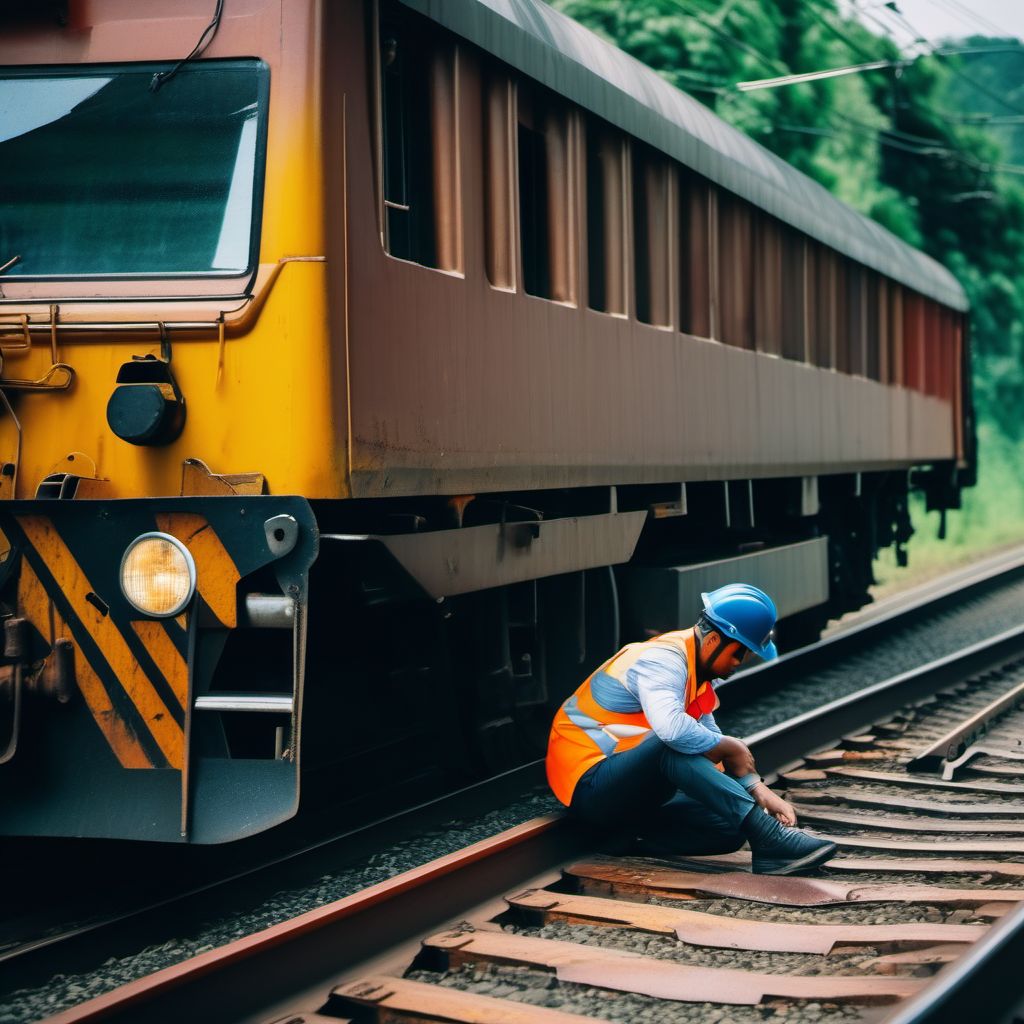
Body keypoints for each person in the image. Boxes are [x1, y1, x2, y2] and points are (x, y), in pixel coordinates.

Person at [546, 583, 837, 875]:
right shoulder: (662, 660)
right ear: (712, 641)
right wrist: (732, 746)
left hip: (628, 792)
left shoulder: (697, 675)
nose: (738, 664)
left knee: (728, 825)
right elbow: (673, 732)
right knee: (670, 743)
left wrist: (756, 788)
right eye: (738, 654)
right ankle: (771, 838)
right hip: (589, 784)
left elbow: (707, 743)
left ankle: (623, 839)